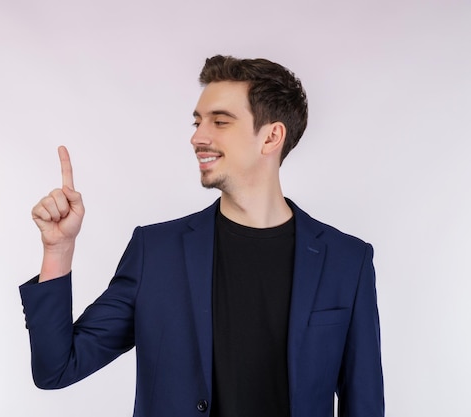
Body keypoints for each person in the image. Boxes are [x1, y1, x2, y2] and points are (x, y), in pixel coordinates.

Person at [19, 55, 384, 417]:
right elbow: (56, 369)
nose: (197, 137)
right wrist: (58, 250)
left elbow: (364, 406)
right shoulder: (157, 253)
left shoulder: (346, 262)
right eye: (197, 122)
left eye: (220, 121)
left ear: (271, 136)